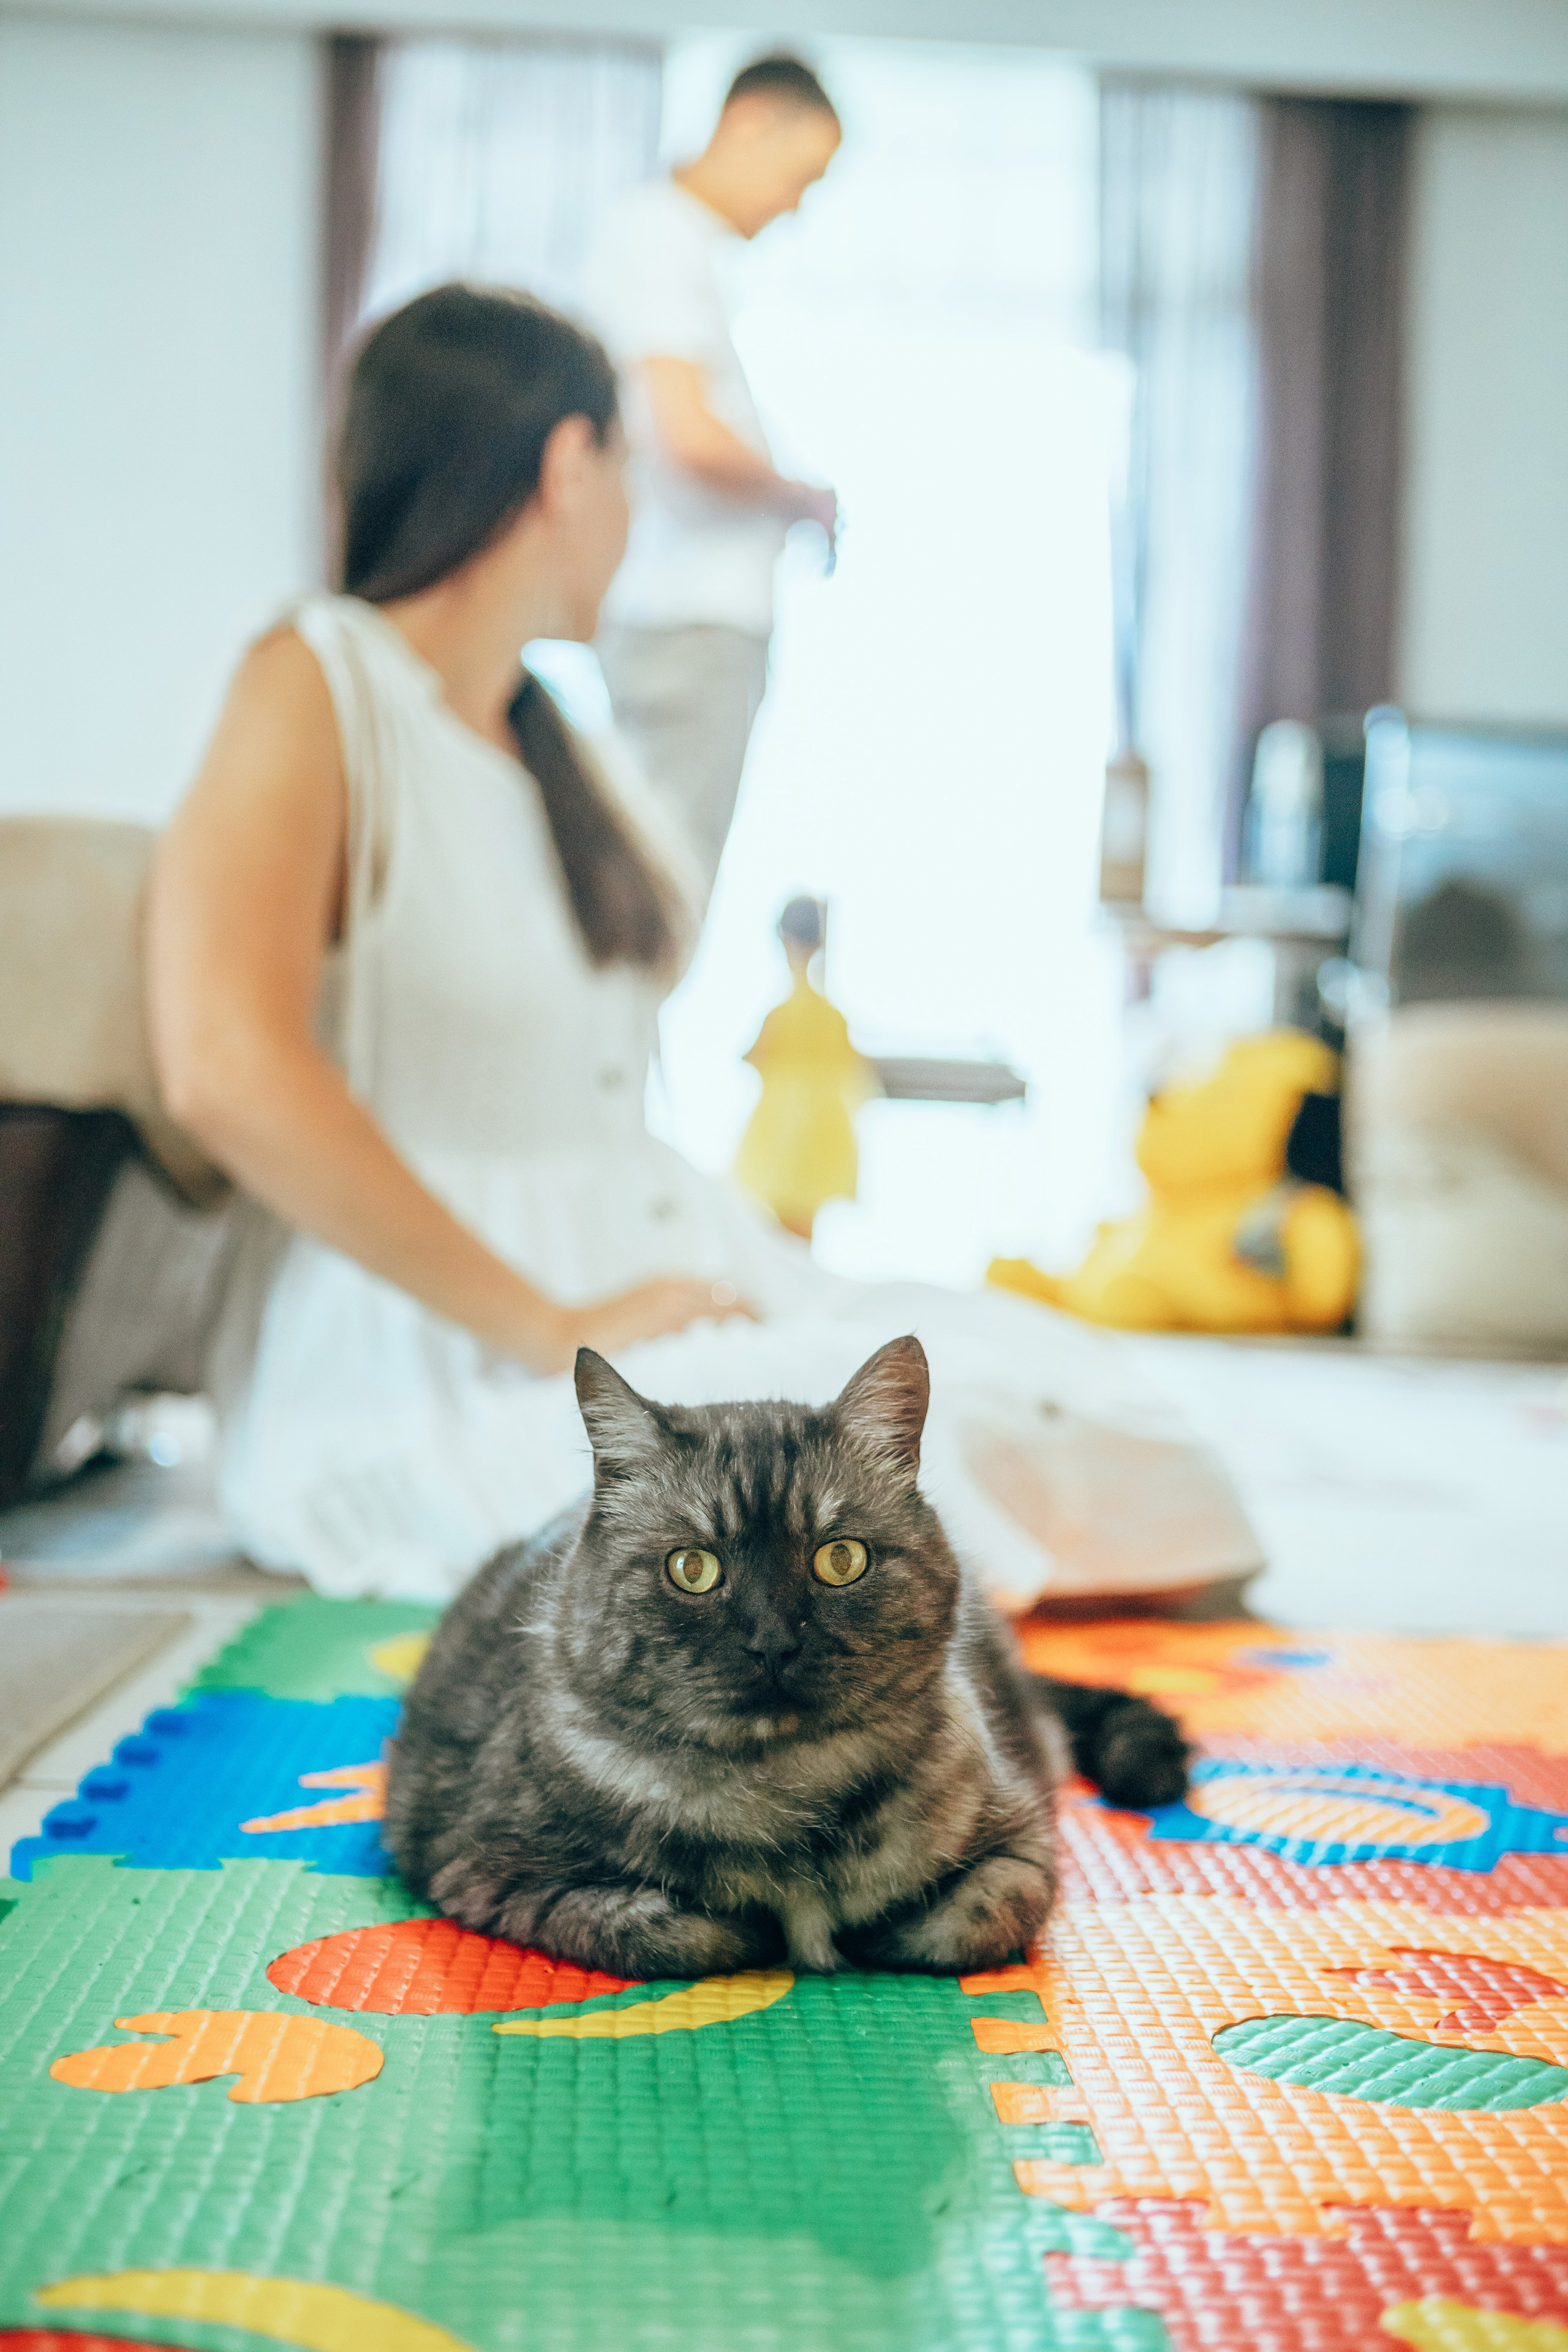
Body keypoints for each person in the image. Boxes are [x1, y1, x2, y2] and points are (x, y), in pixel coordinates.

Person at [149, 283, 1260, 1607]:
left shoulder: (562, 741)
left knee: (1104, 1406)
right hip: (443, 1347)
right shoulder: (317, 673)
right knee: (905, 1487)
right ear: (569, 464)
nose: (633, 517)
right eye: (626, 466)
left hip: (669, 1269)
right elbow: (222, 1065)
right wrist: (549, 1325)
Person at [582, 54, 841, 899]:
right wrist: (805, 497)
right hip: (689, 621)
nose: (795, 205)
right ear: (751, 121)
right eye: (801, 175)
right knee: (663, 896)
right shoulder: (661, 233)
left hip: (680, 619)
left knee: (658, 887)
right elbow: (684, 436)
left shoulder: (666, 239)